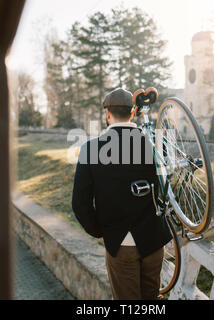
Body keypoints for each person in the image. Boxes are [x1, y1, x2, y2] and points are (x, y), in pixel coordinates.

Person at [72, 88, 172, 300]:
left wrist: (98, 231)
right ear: (133, 113)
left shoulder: (90, 149)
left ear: (107, 114)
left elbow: (80, 203)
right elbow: (165, 186)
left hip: (121, 242)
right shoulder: (155, 143)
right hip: (153, 240)